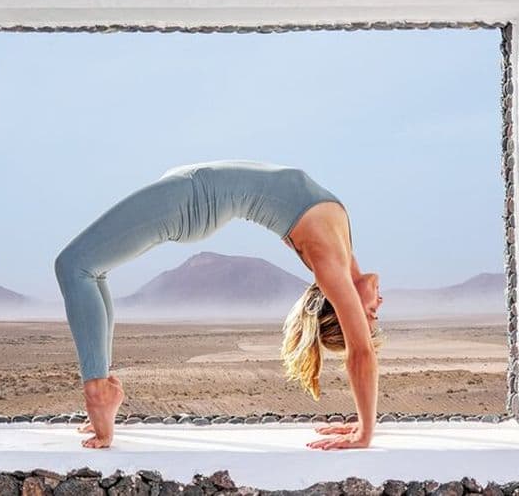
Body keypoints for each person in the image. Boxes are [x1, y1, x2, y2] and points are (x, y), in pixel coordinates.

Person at [53, 159, 384, 450]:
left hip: (192, 199)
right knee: (93, 271)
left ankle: (97, 390)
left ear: (341, 305)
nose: (378, 304)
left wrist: (364, 432)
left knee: (74, 266)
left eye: (368, 314)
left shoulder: (329, 264)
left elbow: (362, 353)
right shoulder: (341, 251)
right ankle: (104, 384)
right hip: (191, 190)